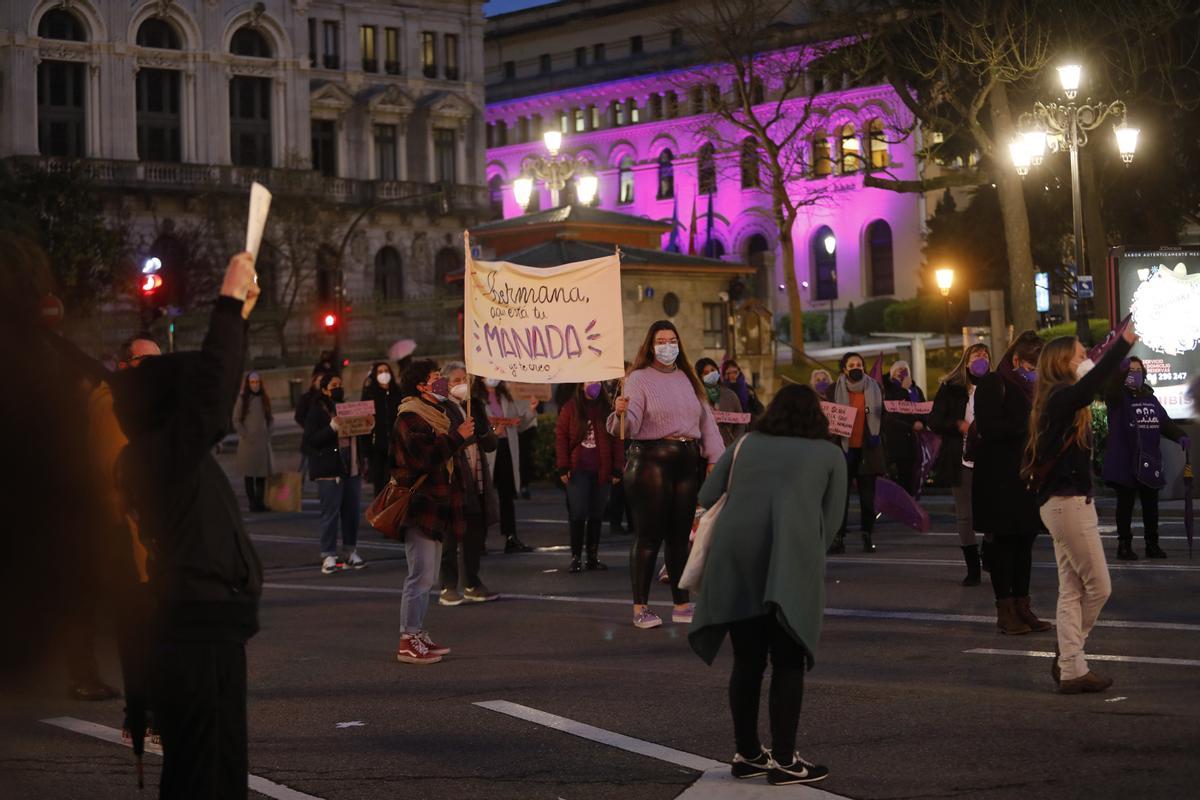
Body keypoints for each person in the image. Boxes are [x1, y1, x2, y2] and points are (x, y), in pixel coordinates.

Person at [110, 252, 264, 798]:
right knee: (202, 774)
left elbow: (207, 397)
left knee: (221, 769)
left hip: (214, 626)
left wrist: (238, 315)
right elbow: (210, 396)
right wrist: (227, 305)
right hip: (194, 628)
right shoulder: (153, 455)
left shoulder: (167, 451)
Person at [689, 385, 846, 785]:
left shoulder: (747, 442)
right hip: (790, 560)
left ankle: (747, 753)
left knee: (748, 660)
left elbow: (708, 494)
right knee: (788, 661)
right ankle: (785, 760)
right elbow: (832, 522)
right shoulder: (830, 453)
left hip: (736, 558)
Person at [1026, 329, 1136, 693]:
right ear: (1061, 362)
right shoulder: (1059, 397)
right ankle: (1069, 655)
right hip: (1065, 502)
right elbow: (1088, 390)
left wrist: (1115, 361)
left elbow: (1111, 391)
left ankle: (1072, 667)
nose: (1085, 358)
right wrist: (1122, 344)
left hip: (1069, 502)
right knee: (1099, 586)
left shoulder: (1061, 399)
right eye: (1078, 355)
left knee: (1071, 590)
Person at [609, 320, 725, 629]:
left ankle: (682, 603)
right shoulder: (638, 378)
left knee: (678, 538)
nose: (667, 346)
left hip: (686, 462)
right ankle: (640, 607)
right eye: (661, 340)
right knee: (649, 537)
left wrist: (716, 457)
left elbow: (706, 421)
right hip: (651, 462)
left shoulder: (688, 378)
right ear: (650, 345)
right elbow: (629, 425)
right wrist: (619, 413)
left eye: (672, 340)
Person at [392, 359, 477, 664]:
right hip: (421, 505)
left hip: (438, 504)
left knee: (427, 576)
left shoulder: (437, 413)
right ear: (420, 386)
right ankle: (407, 638)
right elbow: (424, 457)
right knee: (419, 575)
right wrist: (457, 437)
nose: (440, 382)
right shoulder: (410, 418)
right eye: (434, 378)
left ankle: (417, 633)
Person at [973, 330, 1052, 635]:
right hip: (999, 478)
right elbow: (989, 429)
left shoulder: (1035, 389)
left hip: (1027, 477)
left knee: (1025, 543)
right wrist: (1028, 423)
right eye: (1032, 368)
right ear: (1017, 360)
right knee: (1005, 544)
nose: (1034, 374)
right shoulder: (995, 383)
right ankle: (1004, 609)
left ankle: (1023, 605)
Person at [1102, 356, 1189, 560]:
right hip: (1125, 461)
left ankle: (1152, 544)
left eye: (1138, 370)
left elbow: (1164, 422)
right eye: (1129, 371)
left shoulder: (1150, 398)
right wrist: (1118, 372)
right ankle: (1124, 545)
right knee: (1125, 506)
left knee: (1151, 505)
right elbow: (1112, 389)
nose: (1134, 374)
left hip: (1149, 460)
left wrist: (1180, 436)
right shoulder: (1117, 397)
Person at [929, 343, 991, 586]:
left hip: (988, 459)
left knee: (991, 511)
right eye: (977, 354)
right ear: (967, 361)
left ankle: (988, 553)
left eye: (985, 354)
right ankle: (972, 568)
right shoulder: (951, 388)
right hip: (961, 458)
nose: (982, 358)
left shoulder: (995, 385)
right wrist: (959, 425)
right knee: (965, 515)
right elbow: (934, 420)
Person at [438, 362, 500, 605]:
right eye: (455, 380)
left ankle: (472, 582)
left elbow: (490, 443)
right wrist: (466, 436)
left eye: (464, 379)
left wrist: (483, 430)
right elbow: (447, 442)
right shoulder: (441, 409)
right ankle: (448, 585)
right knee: (451, 535)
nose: (461, 384)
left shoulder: (475, 405)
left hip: (477, 476)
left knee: (475, 533)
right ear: (445, 383)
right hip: (454, 478)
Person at [303, 373, 370, 574]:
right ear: (324, 389)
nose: (338, 387)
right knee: (330, 514)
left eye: (340, 384)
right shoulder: (317, 412)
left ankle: (350, 551)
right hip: (330, 470)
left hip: (351, 468)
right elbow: (311, 440)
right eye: (334, 385)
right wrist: (331, 428)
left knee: (351, 513)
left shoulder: (348, 408)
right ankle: (328, 554)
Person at [557, 382, 625, 572]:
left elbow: (617, 438)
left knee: (597, 514)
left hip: (602, 470)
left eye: (596, 381)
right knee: (578, 513)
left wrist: (618, 468)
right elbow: (561, 437)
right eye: (589, 381)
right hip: (577, 470)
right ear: (581, 384)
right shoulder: (570, 408)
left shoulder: (608, 408)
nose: (592, 385)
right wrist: (563, 467)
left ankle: (592, 557)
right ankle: (576, 557)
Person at [475, 377, 538, 553]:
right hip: (487, 450)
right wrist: (494, 431)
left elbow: (521, 425)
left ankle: (511, 537)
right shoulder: (475, 398)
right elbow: (476, 425)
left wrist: (531, 410)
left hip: (506, 449)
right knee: (484, 495)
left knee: (507, 495)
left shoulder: (507, 395)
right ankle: (480, 539)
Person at [829, 352, 884, 554]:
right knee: (840, 498)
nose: (856, 367)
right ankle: (838, 538)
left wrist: (876, 430)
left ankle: (867, 535)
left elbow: (881, 415)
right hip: (843, 450)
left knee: (867, 499)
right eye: (851, 364)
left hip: (867, 450)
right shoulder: (832, 390)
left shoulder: (875, 388)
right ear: (844, 369)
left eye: (859, 364)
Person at [881, 360, 927, 495]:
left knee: (913, 473)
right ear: (892, 373)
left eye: (904, 369)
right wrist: (902, 389)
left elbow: (923, 408)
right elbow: (893, 412)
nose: (902, 372)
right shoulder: (888, 389)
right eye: (898, 370)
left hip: (915, 439)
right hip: (897, 439)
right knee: (902, 473)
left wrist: (922, 422)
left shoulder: (916, 390)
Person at [233, 372, 274, 513]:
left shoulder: (264, 398)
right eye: (252, 382)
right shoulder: (242, 400)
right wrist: (245, 434)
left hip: (262, 442)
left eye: (257, 382)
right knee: (249, 474)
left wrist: (269, 431)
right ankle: (252, 503)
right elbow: (236, 420)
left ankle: (260, 501)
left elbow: (270, 417)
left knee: (262, 474)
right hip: (248, 443)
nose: (255, 384)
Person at [361, 361, 402, 497]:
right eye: (380, 371)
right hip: (377, 447)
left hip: (396, 446)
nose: (384, 374)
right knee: (379, 483)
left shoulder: (398, 392)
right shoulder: (369, 394)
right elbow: (363, 423)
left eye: (386, 370)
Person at [697, 358, 746, 446]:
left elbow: (740, 423)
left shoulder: (730, 395)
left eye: (712, 370)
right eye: (706, 373)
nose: (710, 375)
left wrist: (734, 442)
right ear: (699, 376)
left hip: (728, 448)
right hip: (704, 449)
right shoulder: (696, 397)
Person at [294, 370, 325, 476]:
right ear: (314, 382)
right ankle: (298, 487)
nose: (321, 383)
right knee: (305, 465)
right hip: (310, 437)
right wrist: (308, 427)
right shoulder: (306, 398)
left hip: (325, 436)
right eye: (319, 380)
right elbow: (298, 416)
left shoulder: (328, 397)